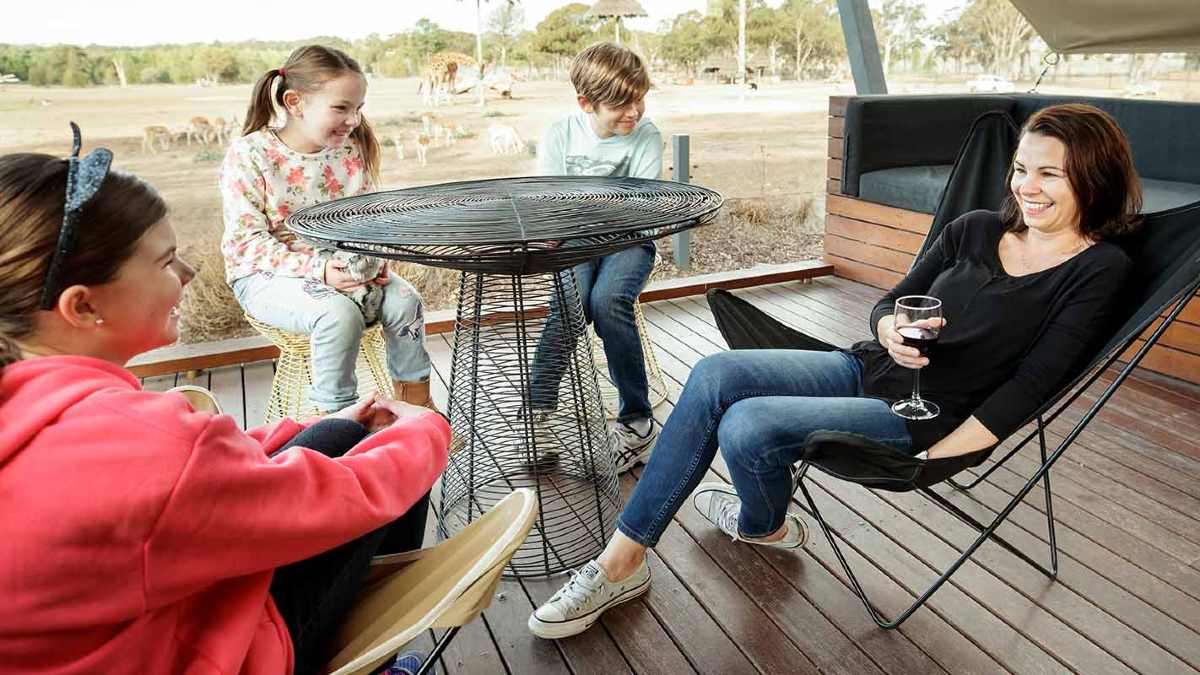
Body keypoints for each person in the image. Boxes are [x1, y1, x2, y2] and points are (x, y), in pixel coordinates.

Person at [528, 103, 1142, 639]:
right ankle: (644, 556)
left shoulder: (1097, 269)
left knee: (748, 423)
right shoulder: (976, 228)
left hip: (928, 419)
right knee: (716, 372)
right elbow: (889, 302)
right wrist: (888, 333)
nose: (1027, 187)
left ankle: (728, 530)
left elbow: (1033, 385)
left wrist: (936, 459)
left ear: (1091, 177)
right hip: (867, 368)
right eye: (1020, 169)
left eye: (1049, 174)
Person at [0, 134, 449, 674]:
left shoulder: (35, 404)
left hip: (129, 622)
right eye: (167, 260)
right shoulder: (143, 440)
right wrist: (424, 428)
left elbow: (194, 479)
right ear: (83, 305)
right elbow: (342, 499)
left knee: (347, 436)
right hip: (183, 649)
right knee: (394, 466)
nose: (188, 273)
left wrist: (317, 426)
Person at [221, 44, 434, 413]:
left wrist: (375, 260)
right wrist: (317, 270)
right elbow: (245, 243)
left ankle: (416, 405)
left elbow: (367, 221)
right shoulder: (250, 154)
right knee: (338, 314)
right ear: (294, 102)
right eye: (341, 108)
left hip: (344, 267)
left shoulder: (349, 152)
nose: (353, 120)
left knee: (405, 301)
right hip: (264, 275)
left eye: (358, 108)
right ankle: (338, 420)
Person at [528, 42, 665, 472]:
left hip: (630, 240)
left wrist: (581, 205)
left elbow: (639, 206)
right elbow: (551, 200)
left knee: (608, 302)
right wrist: (561, 221)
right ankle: (537, 418)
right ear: (586, 103)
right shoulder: (560, 135)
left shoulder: (647, 135)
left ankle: (638, 423)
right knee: (569, 307)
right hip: (573, 240)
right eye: (621, 104)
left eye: (639, 99)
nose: (634, 112)